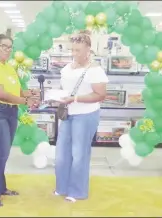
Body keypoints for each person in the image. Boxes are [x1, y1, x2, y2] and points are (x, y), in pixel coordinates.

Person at [0, 34, 40, 207]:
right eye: (3, 46)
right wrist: (24, 101)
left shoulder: (8, 67)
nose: (7, 50)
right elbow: (0, 94)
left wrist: (28, 93)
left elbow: (15, 90)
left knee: (3, 153)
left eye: (9, 47)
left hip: (10, 112)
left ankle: (1, 188)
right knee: (0, 154)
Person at [54, 30, 108, 203]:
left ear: (88, 50)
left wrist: (75, 98)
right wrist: (59, 97)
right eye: (73, 50)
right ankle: (62, 187)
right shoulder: (66, 68)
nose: (75, 53)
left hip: (85, 115)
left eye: (78, 50)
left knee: (79, 154)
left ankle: (77, 191)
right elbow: (64, 88)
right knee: (62, 154)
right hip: (68, 114)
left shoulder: (95, 70)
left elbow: (100, 95)